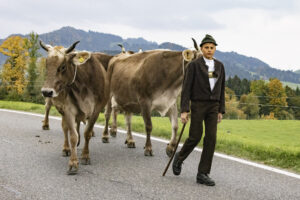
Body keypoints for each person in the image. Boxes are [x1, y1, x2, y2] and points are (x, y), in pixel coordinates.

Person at [172, 34, 225, 186]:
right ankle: (180, 157)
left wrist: (221, 109)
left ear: (215, 49)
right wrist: (184, 110)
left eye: (212, 48)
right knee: (195, 136)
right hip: (198, 104)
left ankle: (203, 173)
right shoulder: (194, 65)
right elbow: (186, 88)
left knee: (211, 138)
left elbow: (221, 88)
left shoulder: (219, 66)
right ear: (201, 49)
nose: (209, 50)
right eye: (206, 47)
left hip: (213, 106)